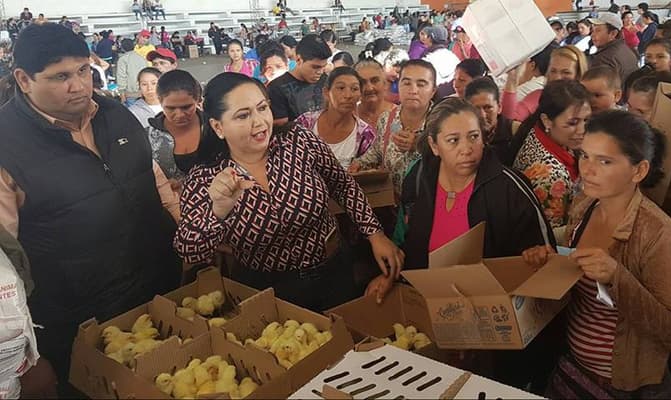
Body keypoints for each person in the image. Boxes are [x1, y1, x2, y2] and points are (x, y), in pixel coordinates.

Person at [2, 23, 180, 397]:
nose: (79, 85)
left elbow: (152, 178)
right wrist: (24, 357)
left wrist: (187, 234)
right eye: (61, 76)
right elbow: (4, 268)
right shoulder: (7, 147)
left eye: (83, 70)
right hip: (80, 321)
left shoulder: (114, 113)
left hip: (157, 290)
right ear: (23, 79)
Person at [174, 72, 403, 311]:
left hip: (334, 270)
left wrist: (374, 234)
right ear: (218, 126)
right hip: (267, 289)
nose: (259, 122)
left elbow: (341, 184)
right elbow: (190, 249)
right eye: (243, 115)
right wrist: (217, 212)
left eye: (262, 108)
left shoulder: (296, 141)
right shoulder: (205, 178)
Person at [523, 110, 671, 399]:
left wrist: (617, 276)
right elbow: (574, 266)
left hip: (626, 386)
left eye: (605, 161)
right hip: (572, 369)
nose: (587, 169)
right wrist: (552, 259)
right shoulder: (585, 205)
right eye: (585, 156)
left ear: (639, 171)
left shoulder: (659, 235)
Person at [392, 96, 555, 281]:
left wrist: (537, 255)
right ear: (434, 145)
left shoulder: (509, 188)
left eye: (474, 137)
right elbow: (405, 240)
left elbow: (546, 256)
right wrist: (392, 275)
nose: (467, 149)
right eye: (453, 140)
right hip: (425, 298)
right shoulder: (419, 177)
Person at [510, 80, 592, 228]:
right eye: (573, 123)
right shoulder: (550, 176)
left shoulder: (539, 131)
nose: (582, 130)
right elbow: (553, 235)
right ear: (547, 121)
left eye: (586, 120)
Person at [351, 60, 437, 196]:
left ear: (433, 91)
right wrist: (358, 164)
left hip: (430, 205)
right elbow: (377, 152)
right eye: (407, 83)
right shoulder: (387, 119)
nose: (413, 90)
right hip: (394, 206)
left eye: (421, 84)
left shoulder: (443, 123)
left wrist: (420, 145)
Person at [296, 67, 376, 168]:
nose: (348, 95)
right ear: (326, 93)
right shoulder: (305, 123)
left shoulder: (365, 135)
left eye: (354, 89)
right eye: (341, 88)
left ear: (360, 95)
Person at [144, 70, 204, 194]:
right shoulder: (147, 137)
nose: (179, 114)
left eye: (186, 107)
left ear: (197, 100)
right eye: (170, 108)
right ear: (160, 101)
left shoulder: (215, 128)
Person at [503, 46, 588, 122]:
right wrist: (512, 79)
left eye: (566, 72)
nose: (557, 77)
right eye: (553, 71)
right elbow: (509, 119)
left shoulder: (586, 106)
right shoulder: (538, 96)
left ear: (578, 75)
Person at [268, 34, 332, 126]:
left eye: (323, 67)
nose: (320, 72)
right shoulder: (277, 88)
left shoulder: (326, 80)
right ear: (298, 60)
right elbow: (281, 129)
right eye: (315, 67)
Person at [465, 77, 518, 165]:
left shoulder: (515, 132)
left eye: (488, 108)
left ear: (499, 108)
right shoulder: (461, 135)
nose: (482, 115)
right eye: (476, 109)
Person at [588, 13, 640, 84]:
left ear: (613, 34)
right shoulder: (627, 49)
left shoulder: (604, 59)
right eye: (592, 31)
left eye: (598, 31)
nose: (592, 35)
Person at [354, 59, 396, 129]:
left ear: (385, 83)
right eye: (362, 82)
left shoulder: (400, 116)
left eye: (375, 81)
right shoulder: (349, 116)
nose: (369, 88)